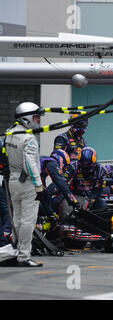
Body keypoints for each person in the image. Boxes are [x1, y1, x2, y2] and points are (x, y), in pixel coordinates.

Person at [4, 102, 44, 267]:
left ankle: (16, 251)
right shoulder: (29, 138)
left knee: (17, 218)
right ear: (27, 118)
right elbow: (30, 163)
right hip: (27, 182)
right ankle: (24, 256)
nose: (37, 120)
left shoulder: (9, 133)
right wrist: (39, 185)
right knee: (28, 220)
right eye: (35, 117)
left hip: (13, 181)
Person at [61, 147, 108, 218]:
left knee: (103, 206)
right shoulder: (73, 166)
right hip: (75, 195)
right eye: (83, 165)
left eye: (88, 165)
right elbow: (63, 181)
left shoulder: (101, 170)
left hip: (91, 195)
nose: (85, 167)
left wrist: (92, 198)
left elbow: (100, 187)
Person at [39, 149, 80, 216]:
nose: (63, 168)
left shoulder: (44, 163)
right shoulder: (51, 162)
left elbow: (43, 192)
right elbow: (61, 184)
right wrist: (73, 201)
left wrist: (51, 213)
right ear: (60, 159)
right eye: (64, 165)